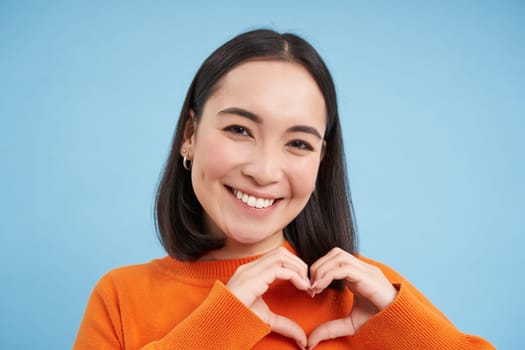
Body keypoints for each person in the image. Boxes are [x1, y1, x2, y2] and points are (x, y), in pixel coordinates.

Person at [73, 29, 495, 350]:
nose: (265, 170)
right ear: (190, 134)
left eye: (298, 143)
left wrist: (403, 331)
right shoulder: (121, 298)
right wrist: (217, 327)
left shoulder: (371, 297)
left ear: (321, 160)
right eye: (239, 129)